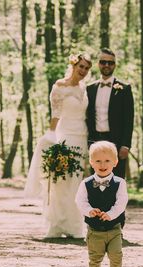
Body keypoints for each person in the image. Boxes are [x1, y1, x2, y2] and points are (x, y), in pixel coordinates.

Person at [24, 53, 92, 238]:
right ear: (74, 65)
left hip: (81, 137)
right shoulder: (59, 86)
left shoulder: (84, 87)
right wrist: (52, 137)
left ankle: (74, 226)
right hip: (65, 136)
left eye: (87, 68)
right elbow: (55, 114)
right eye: (81, 67)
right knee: (60, 181)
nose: (84, 71)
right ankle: (56, 225)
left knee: (76, 183)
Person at [75, 141, 128, 267]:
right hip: (94, 230)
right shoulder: (86, 183)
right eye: (98, 161)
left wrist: (110, 214)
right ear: (91, 162)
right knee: (95, 257)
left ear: (115, 162)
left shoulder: (120, 183)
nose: (102, 164)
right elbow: (80, 201)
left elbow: (121, 202)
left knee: (116, 254)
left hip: (114, 228)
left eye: (107, 161)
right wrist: (89, 210)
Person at [86, 48, 134, 178]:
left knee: (116, 180)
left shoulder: (124, 89)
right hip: (95, 140)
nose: (106, 65)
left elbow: (129, 119)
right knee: (96, 180)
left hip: (116, 142)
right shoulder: (90, 89)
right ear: (98, 64)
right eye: (103, 62)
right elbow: (87, 118)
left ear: (115, 65)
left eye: (110, 63)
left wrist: (126, 144)